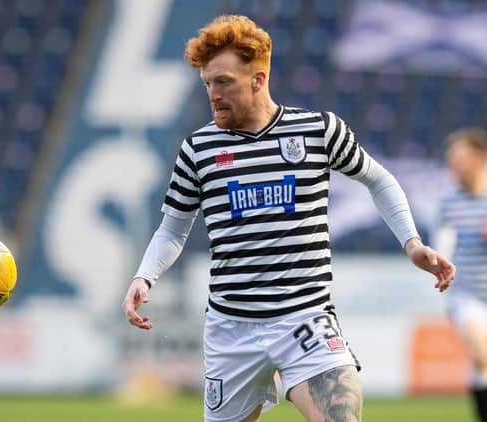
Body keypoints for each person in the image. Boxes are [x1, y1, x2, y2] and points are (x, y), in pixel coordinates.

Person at [122, 15, 456, 422]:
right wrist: (144, 276)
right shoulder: (199, 149)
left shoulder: (317, 131)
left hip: (306, 320)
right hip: (232, 331)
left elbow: (380, 180)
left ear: (259, 79)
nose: (213, 93)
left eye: (224, 81)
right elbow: (174, 228)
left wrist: (412, 242)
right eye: (207, 83)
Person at [436, 128, 487, 422]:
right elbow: (442, 247)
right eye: (451, 160)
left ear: (482, 159)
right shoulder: (449, 204)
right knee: (481, 356)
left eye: (460, 159)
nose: (454, 167)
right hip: (469, 296)